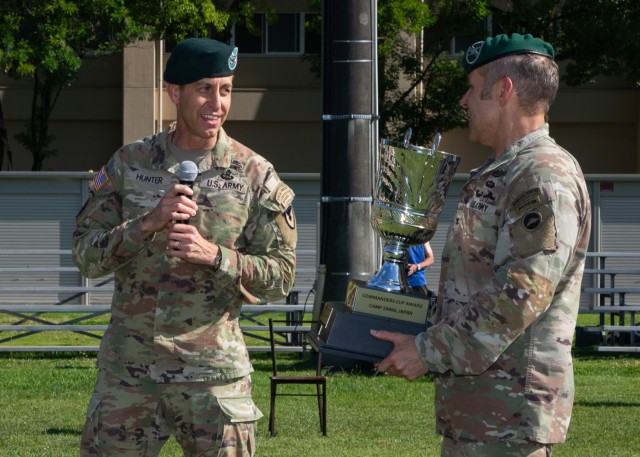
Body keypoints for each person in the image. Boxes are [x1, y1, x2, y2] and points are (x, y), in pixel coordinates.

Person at [72, 38, 297, 456]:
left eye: (226, 89)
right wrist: (146, 225)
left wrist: (215, 256)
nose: (217, 103)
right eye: (204, 89)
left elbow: (281, 276)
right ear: (175, 92)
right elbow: (86, 256)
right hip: (130, 374)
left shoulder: (253, 173)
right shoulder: (129, 163)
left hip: (213, 377)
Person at [372, 33, 591, 457]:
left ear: (503, 90)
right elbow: (474, 287)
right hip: (480, 414)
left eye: (472, 88)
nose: (463, 101)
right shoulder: (505, 170)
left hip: (509, 419)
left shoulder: (542, 174)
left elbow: (524, 290)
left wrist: (426, 351)